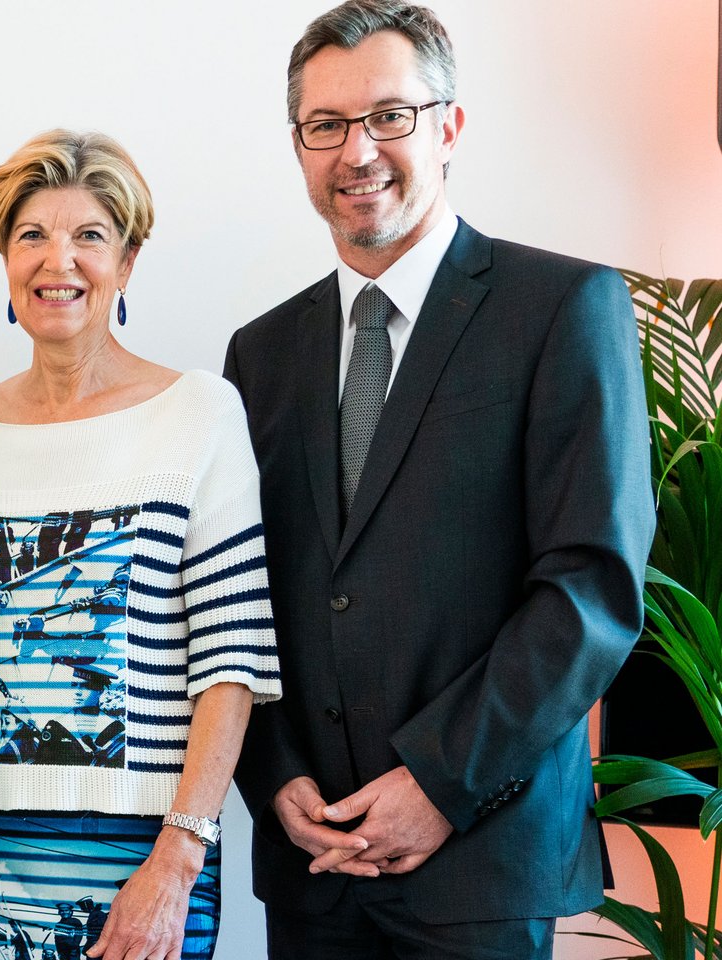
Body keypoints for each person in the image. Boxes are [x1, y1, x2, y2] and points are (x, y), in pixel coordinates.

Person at [223, 2, 653, 955]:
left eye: (390, 115)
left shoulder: (563, 307)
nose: (357, 151)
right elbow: (242, 597)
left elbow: (591, 589)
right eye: (326, 125)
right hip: (314, 866)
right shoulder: (260, 354)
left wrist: (439, 783)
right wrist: (275, 776)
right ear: (298, 147)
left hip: (480, 857)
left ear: (449, 126)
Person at [0, 130, 282, 960]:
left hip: (140, 851)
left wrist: (180, 855)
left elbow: (233, 660)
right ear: (6, 259)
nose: (57, 259)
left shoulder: (199, 413)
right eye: (31, 234)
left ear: (128, 262)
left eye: (89, 236)